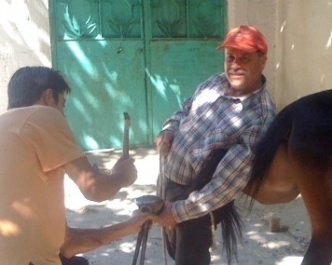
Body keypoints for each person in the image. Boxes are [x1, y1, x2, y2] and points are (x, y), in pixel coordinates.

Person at [153, 25, 277, 264]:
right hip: (169, 181)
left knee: (190, 259)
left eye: (244, 58)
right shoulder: (214, 83)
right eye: (230, 57)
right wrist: (168, 130)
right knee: (172, 249)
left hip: (196, 202)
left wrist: (176, 213)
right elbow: (184, 111)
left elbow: (223, 187)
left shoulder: (259, 119)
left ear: (262, 62)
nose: (234, 65)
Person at [0, 66, 144, 265]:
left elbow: (68, 245)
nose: (64, 116)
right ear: (49, 97)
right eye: (63, 106)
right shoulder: (43, 115)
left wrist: (131, 225)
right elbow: (96, 190)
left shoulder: (10, 132)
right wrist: (122, 176)